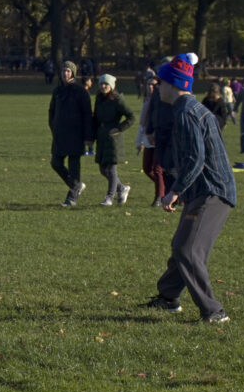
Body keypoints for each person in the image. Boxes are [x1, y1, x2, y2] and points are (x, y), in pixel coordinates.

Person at [144, 53, 235, 324]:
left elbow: (197, 159)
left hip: (213, 192)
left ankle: (214, 312)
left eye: (161, 83)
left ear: (173, 85)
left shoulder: (186, 114)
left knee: (187, 250)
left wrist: (174, 191)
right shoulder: (190, 109)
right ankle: (168, 297)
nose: (158, 87)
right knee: (181, 245)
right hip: (203, 190)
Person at [48, 61, 93, 207]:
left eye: (68, 71)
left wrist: (88, 137)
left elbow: (87, 115)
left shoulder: (80, 91)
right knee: (55, 163)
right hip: (60, 134)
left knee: (74, 167)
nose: (65, 74)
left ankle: (72, 197)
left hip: (76, 134)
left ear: (73, 73)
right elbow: (51, 111)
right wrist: (53, 127)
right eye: (63, 71)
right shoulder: (57, 91)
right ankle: (76, 186)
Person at [93, 74, 134, 206]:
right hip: (101, 137)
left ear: (111, 86)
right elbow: (96, 118)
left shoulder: (117, 100)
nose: (103, 86)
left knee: (111, 169)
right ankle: (122, 188)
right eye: (101, 84)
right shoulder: (99, 99)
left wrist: (119, 128)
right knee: (103, 169)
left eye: (106, 84)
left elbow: (131, 117)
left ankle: (109, 197)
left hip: (113, 139)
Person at [136, 76, 164, 206]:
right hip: (147, 136)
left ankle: (159, 197)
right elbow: (142, 123)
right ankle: (165, 187)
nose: (150, 87)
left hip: (158, 137)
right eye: (148, 84)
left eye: (153, 84)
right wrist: (139, 140)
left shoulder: (161, 100)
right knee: (147, 168)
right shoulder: (147, 100)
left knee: (157, 168)